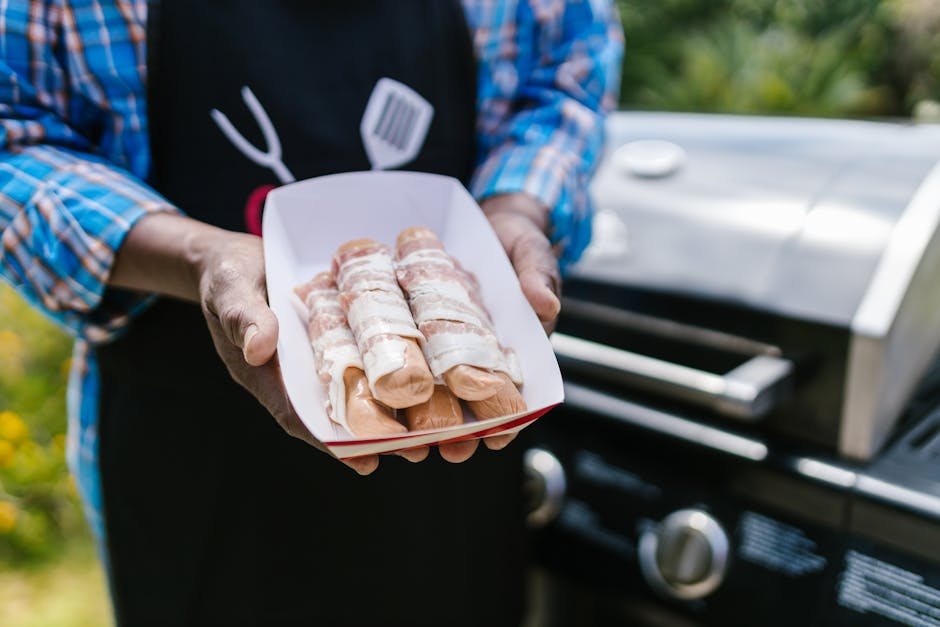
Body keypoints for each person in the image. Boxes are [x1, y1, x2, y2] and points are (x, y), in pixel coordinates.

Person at [0, 1, 622, 625]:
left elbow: (564, 81)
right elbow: (13, 136)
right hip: (190, 439)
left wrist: (516, 208)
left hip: (459, 446)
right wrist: (198, 254)